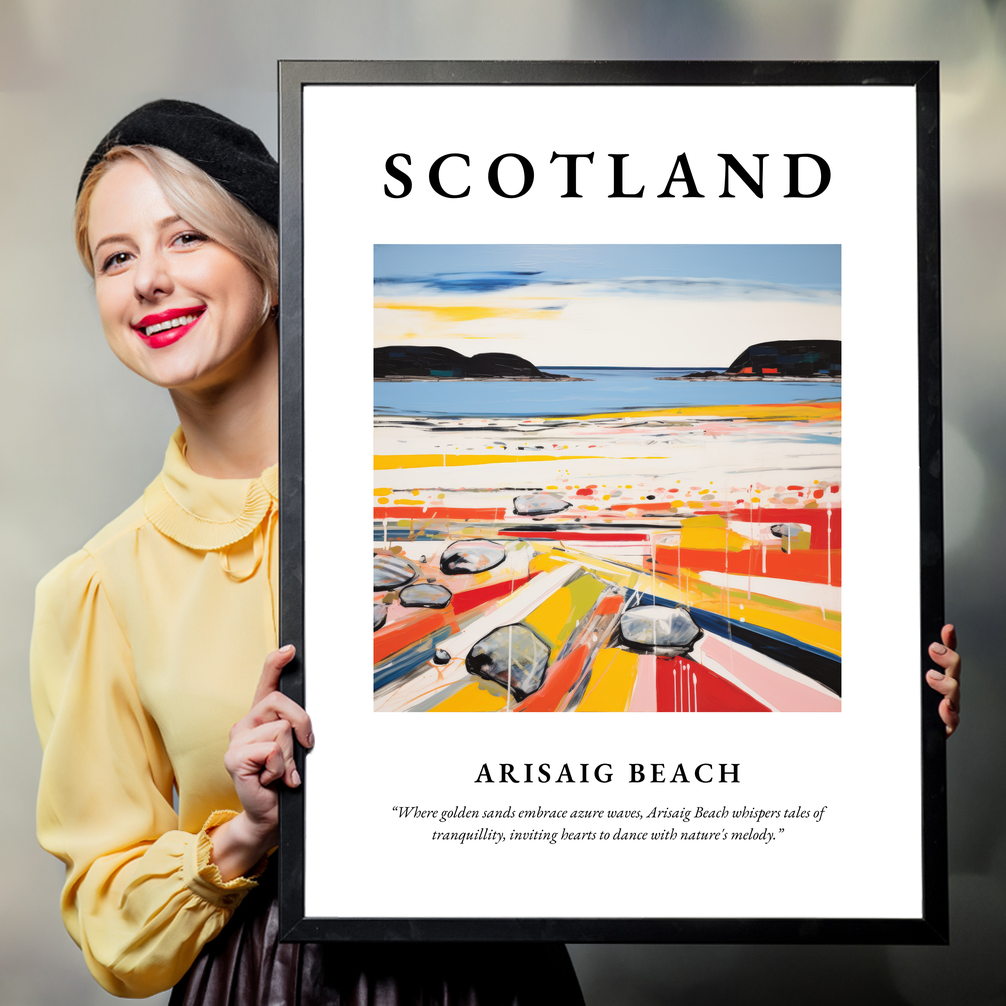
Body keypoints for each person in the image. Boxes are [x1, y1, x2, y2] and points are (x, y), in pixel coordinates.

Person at [30, 100, 585, 1004]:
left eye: (185, 239)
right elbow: (110, 925)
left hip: (493, 973)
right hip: (263, 981)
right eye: (116, 257)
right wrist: (245, 832)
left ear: (274, 264)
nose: (148, 281)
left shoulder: (445, 496)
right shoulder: (98, 587)